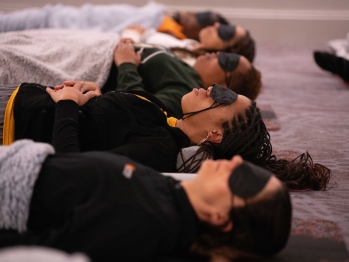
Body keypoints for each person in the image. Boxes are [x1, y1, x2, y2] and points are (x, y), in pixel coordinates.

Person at [2, 51, 331, 190]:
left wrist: (68, 108)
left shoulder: (159, 149)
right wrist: (95, 95)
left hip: (12, 120)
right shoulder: (166, 120)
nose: (214, 88)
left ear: (215, 133)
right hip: (22, 98)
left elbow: (70, 170)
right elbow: (109, 127)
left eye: (225, 97)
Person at [0, 139, 292, 262]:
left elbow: (43, 248)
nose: (237, 161)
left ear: (220, 218)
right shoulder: (172, 196)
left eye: (243, 180)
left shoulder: (150, 222)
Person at [102, 41, 260, 118]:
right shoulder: (188, 71)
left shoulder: (187, 92)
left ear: (225, 86)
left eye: (227, 61)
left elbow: (140, 111)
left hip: (97, 65)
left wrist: (126, 65)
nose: (218, 53)